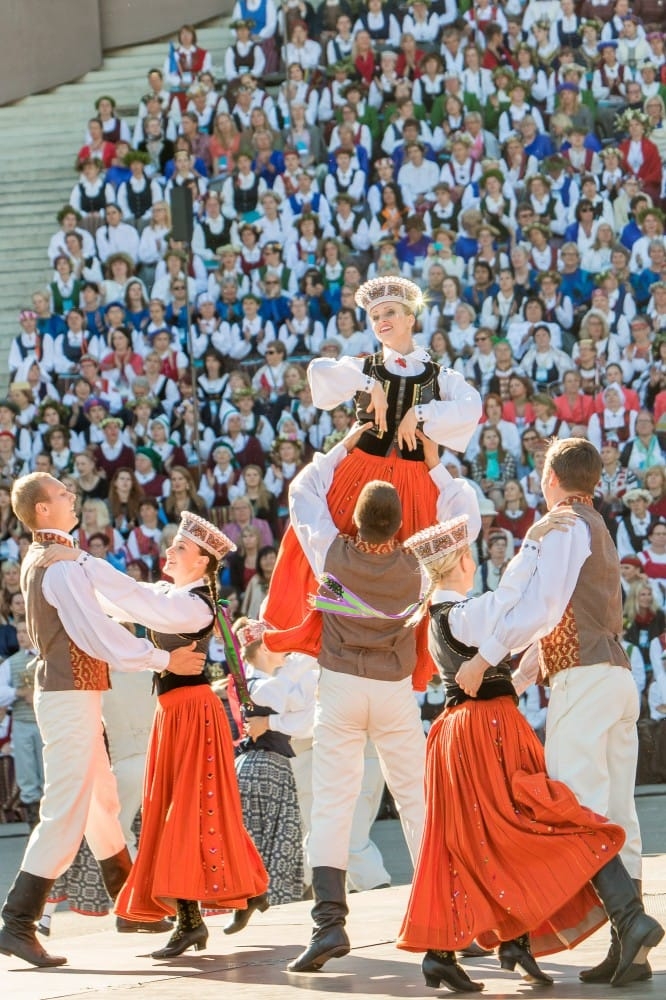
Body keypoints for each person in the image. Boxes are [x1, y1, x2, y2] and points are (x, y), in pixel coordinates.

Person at [397, 503, 632, 991]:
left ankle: (485, 946)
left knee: (472, 838)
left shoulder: (444, 615)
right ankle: (507, 940)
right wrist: (532, 542)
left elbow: (503, 644)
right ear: (461, 562)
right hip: (485, 730)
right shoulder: (461, 613)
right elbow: (507, 601)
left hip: (461, 731)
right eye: (469, 555)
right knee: (519, 825)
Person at [456, 437, 665, 987]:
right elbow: (564, 618)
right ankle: (632, 951)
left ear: (551, 477)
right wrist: (521, 678)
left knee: (572, 810)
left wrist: (485, 658)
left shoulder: (564, 524)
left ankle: (631, 919)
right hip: (615, 676)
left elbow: (543, 608)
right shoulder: (596, 523)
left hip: (587, 681)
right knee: (619, 814)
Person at [285, 421, 480, 974]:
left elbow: (302, 491)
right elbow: (467, 514)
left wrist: (347, 444)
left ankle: (328, 925)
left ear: (356, 518)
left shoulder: (330, 551)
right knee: (418, 802)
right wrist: (434, 462)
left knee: (333, 804)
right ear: (400, 523)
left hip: (342, 686)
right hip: (394, 692)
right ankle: (448, 918)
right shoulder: (418, 565)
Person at [32, 510, 269, 961]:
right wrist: (77, 571)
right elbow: (126, 598)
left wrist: (80, 559)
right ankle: (248, 889)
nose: (170, 552)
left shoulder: (192, 604)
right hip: (175, 713)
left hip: (193, 713)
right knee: (186, 809)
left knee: (181, 815)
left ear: (201, 562)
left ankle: (191, 921)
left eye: (180, 548)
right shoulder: (173, 594)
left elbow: (134, 599)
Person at [0, 474, 205, 969]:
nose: (73, 497)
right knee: (67, 808)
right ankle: (17, 921)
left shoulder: (59, 558)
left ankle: (129, 901)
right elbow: (97, 635)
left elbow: (110, 604)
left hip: (73, 695)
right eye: (63, 494)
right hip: (69, 697)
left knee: (100, 800)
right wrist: (162, 659)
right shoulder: (61, 566)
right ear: (43, 510)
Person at [264, 276, 481, 691]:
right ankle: (320, 637)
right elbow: (319, 372)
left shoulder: (441, 375)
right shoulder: (365, 366)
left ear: (410, 317)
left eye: (390, 313)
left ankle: (408, 656)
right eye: (375, 315)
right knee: (337, 552)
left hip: (415, 478)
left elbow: (471, 407)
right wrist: (370, 386)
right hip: (360, 473)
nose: (381, 321)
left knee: (411, 568)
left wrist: (419, 415)